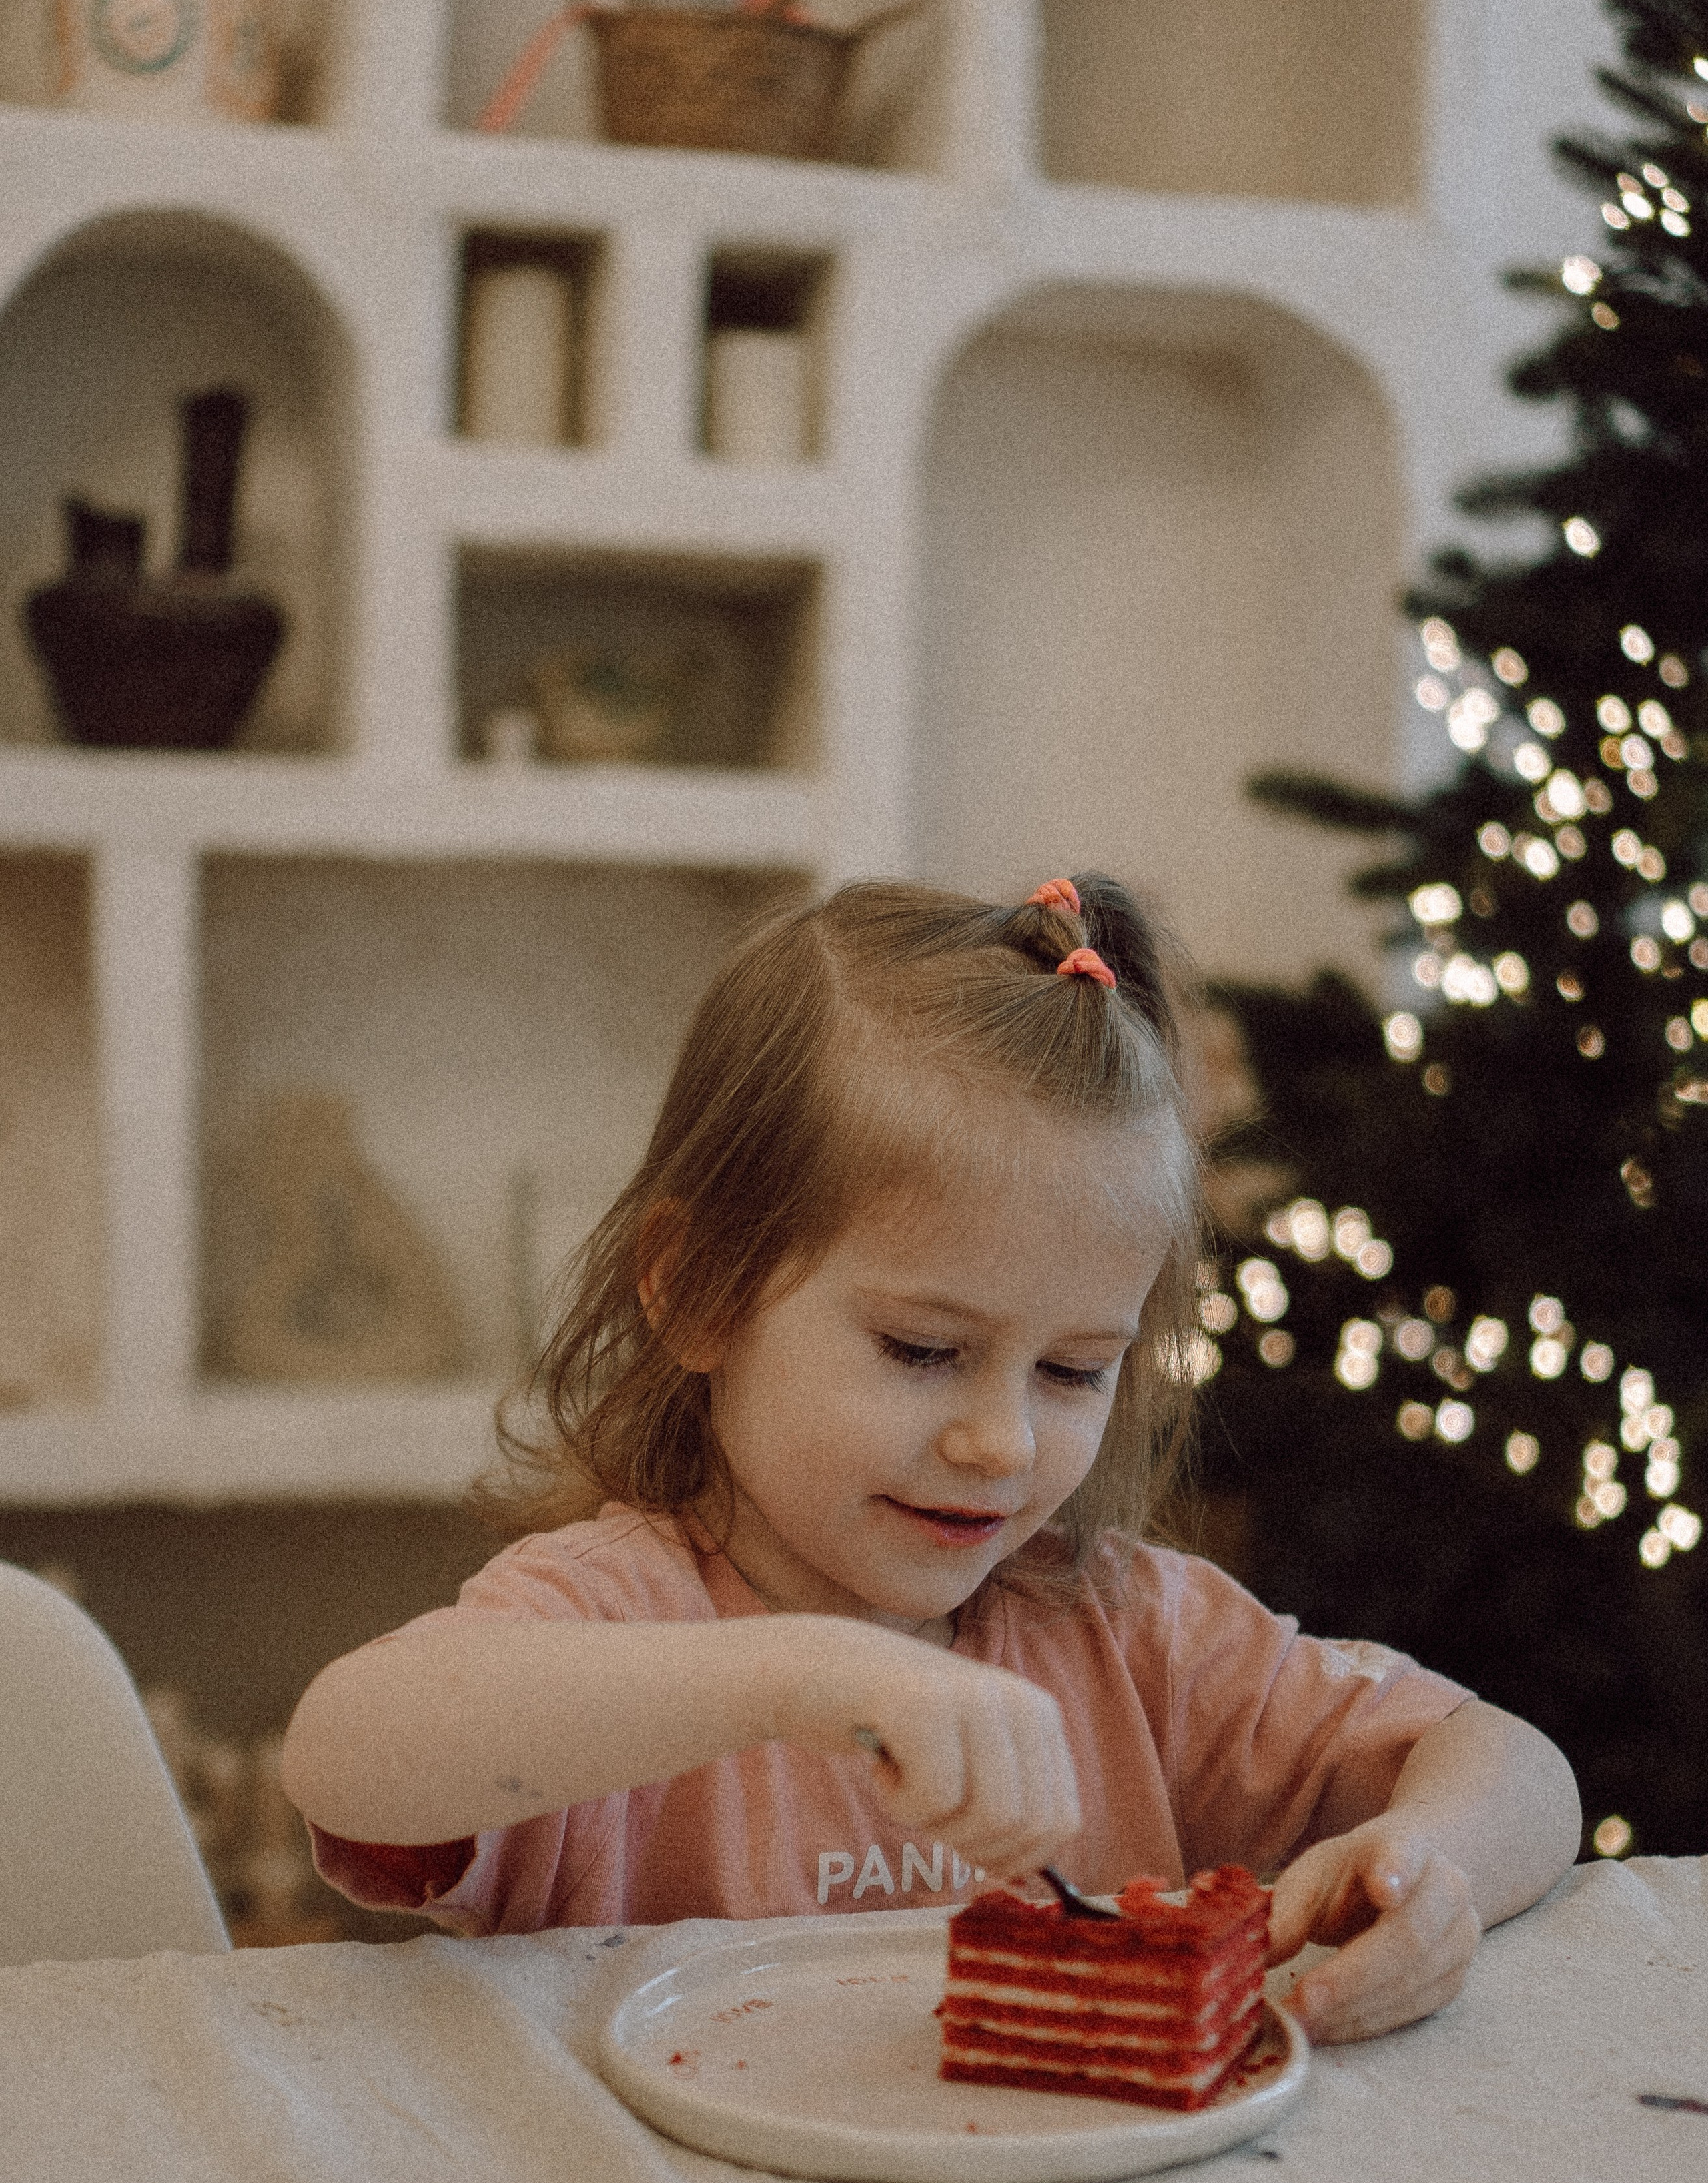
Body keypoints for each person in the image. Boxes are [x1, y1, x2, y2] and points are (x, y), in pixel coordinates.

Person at [282, 875, 1581, 2044]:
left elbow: (1512, 1763)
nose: (1000, 1442)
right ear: (697, 1293)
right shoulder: (619, 1617)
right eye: (919, 1349)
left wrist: (1420, 1867)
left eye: (1074, 1370)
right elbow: (345, 1753)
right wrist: (795, 1675)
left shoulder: (1134, 1640)